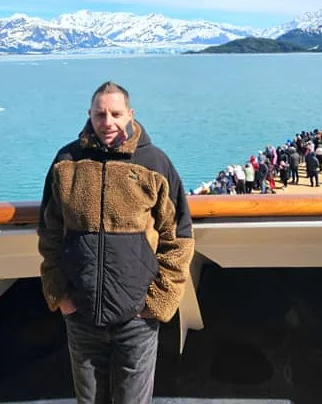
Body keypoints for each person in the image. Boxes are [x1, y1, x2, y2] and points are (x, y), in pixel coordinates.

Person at [38, 81, 195, 404]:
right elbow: (49, 233)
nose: (107, 122)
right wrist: (60, 294)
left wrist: (158, 302)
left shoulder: (154, 163)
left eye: (115, 113)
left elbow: (178, 235)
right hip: (81, 314)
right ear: (89, 115)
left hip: (137, 317)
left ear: (130, 115)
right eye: (100, 114)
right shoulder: (67, 162)